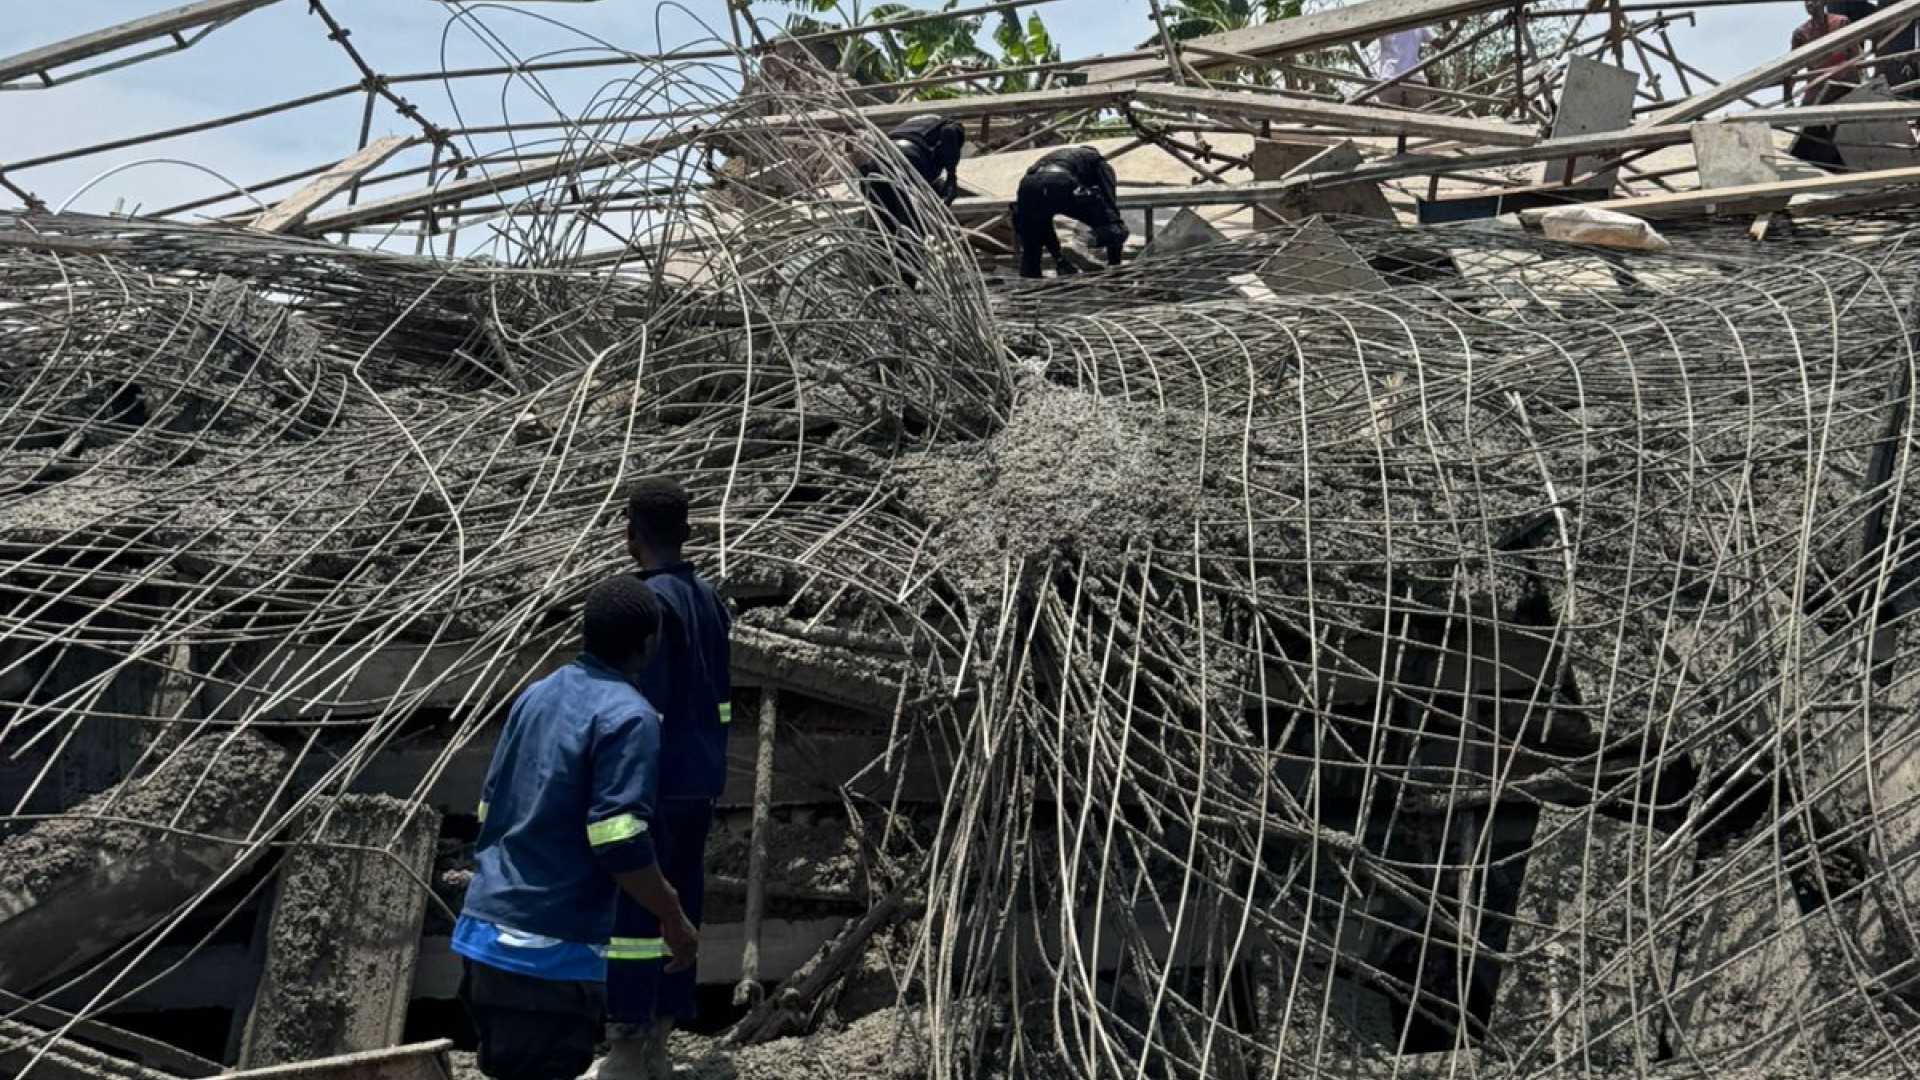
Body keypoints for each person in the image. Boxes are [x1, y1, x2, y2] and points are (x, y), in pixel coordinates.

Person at [453, 575, 698, 1080]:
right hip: (547, 953)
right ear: (648, 646)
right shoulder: (631, 718)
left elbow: (490, 805)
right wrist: (672, 914)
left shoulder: (536, 696)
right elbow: (618, 836)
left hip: (484, 938)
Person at [599, 478, 734, 1080]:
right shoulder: (709, 598)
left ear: (631, 537)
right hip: (701, 780)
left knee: (638, 916)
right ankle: (660, 1037)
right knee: (681, 908)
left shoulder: (646, 603)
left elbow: (640, 708)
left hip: (656, 784)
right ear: (685, 532)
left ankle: (630, 1046)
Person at [858, 115, 965, 287]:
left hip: (876, 163)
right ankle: (907, 282)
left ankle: (882, 282)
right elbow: (950, 132)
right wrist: (952, 175)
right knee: (911, 226)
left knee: (885, 229)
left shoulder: (909, 127)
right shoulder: (949, 125)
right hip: (907, 160)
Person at [1013, 145, 1129, 279]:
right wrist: (1115, 267)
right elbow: (1110, 209)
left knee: (1032, 243)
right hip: (1059, 181)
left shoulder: (1055, 158)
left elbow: (1045, 226)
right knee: (1117, 229)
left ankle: (1031, 286)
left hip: (1028, 184)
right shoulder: (1098, 162)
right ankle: (1079, 243)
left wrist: (1058, 257)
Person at [1787, 0, 1867, 166]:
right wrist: (1788, 98)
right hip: (1818, 91)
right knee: (1808, 139)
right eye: (1807, 2)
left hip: (1845, 87)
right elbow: (1791, 69)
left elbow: (1857, 56)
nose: (1811, 4)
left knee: (1852, 131)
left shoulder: (1840, 23)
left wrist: (1864, 85)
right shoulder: (1801, 34)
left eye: (1814, 1)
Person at [1373, 25, 1435, 108]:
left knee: (1389, 117)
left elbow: (1363, 42)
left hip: (1399, 80)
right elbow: (1441, 44)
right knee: (1417, 117)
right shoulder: (1386, 22)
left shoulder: (1419, 24)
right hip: (1395, 80)